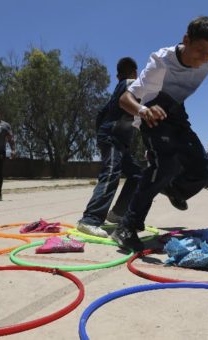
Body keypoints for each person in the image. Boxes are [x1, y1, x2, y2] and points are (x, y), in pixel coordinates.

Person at [111, 16, 208, 251]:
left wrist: (173, 111)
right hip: (153, 113)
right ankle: (127, 226)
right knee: (164, 167)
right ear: (186, 40)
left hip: (176, 112)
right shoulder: (161, 62)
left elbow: (180, 93)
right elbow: (125, 99)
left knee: (205, 170)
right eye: (200, 50)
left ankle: (172, 188)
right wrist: (144, 110)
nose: (204, 58)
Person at [77, 57, 142, 237]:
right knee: (111, 173)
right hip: (114, 139)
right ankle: (89, 219)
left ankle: (118, 213)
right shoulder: (131, 83)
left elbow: (101, 114)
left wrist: (101, 135)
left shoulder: (117, 91)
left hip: (117, 140)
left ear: (117, 75)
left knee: (137, 174)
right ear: (134, 72)